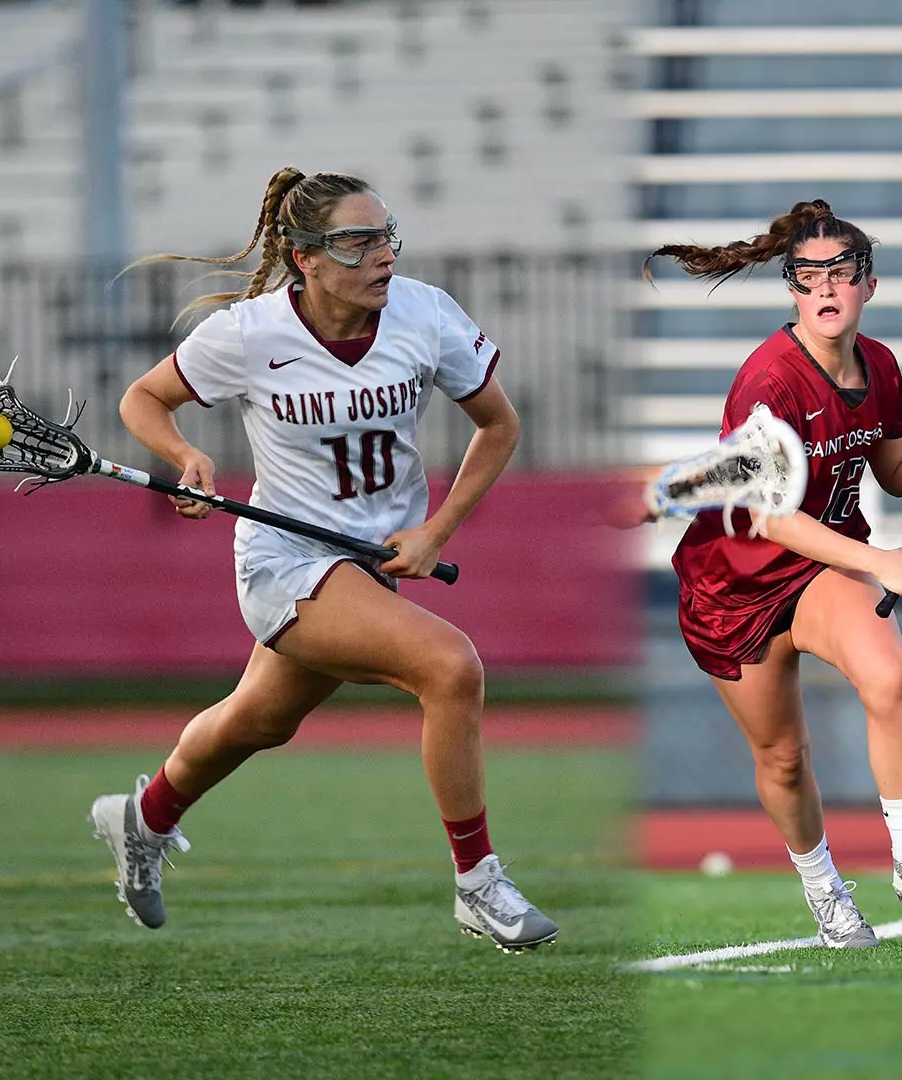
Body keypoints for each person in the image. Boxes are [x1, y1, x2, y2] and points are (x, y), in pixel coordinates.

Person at [88, 167, 556, 951]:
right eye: (357, 241)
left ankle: (142, 819)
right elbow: (143, 400)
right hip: (285, 558)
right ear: (305, 257)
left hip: (368, 563)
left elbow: (499, 427)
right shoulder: (249, 334)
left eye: (386, 235)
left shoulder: (425, 315)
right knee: (451, 667)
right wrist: (186, 458)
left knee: (256, 722)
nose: (383, 255)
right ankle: (478, 885)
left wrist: (435, 531)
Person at [633, 199, 902, 947]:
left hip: (819, 565)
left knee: (890, 680)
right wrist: (878, 558)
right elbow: (772, 517)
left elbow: (899, 471)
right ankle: (826, 894)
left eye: (842, 273)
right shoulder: (768, 381)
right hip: (732, 582)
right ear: (792, 290)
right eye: (809, 277)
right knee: (782, 759)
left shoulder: (880, 367)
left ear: (868, 285)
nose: (826, 289)